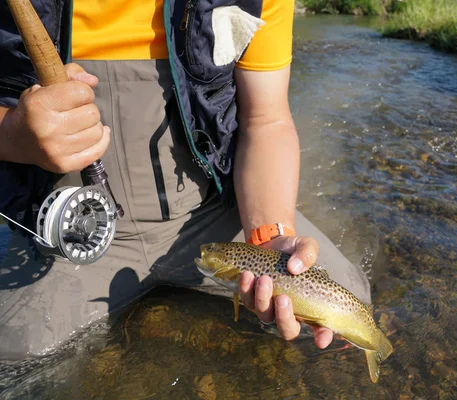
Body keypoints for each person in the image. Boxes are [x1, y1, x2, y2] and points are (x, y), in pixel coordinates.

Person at [0, 0, 371, 359]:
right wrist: (13, 136)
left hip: (207, 212)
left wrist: (268, 237)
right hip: (66, 225)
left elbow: (267, 121)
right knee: (16, 349)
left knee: (351, 314)